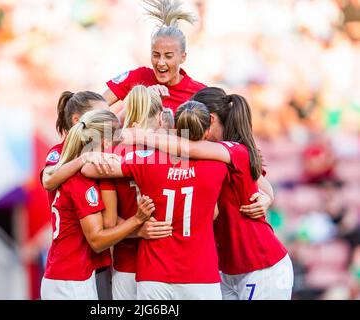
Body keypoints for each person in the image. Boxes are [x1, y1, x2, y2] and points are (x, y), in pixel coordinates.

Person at [122, 87, 294, 299]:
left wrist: (139, 135)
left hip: (260, 264)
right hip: (225, 269)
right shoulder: (207, 155)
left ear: (210, 120)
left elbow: (265, 186)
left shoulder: (232, 150)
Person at [82, 101, 229, 300]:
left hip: (154, 272)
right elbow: (215, 213)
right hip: (200, 274)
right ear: (208, 130)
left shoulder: (149, 160)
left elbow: (88, 169)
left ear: (176, 128)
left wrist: (105, 150)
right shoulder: (219, 165)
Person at [41, 109, 155, 300]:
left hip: (65, 273)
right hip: (71, 279)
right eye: (116, 139)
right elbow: (97, 241)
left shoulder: (70, 170)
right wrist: (137, 221)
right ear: (106, 143)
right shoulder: (81, 182)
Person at [100, 85, 173, 300]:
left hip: (127, 261)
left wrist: (136, 230)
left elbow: (108, 221)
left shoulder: (111, 155)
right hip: (166, 260)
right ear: (160, 117)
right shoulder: (173, 151)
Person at [103, 0, 206, 115]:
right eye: (156, 55)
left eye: (168, 56)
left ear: (183, 57)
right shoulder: (138, 77)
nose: (161, 62)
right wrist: (141, 100)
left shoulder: (199, 93)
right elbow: (98, 104)